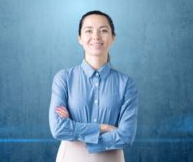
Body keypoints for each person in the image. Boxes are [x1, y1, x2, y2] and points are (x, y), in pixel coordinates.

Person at [49, 10, 138, 162]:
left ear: (113, 38)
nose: (96, 36)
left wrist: (75, 128)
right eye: (89, 31)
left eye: (103, 30)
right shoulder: (64, 78)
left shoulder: (126, 84)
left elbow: (126, 136)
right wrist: (103, 128)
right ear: (80, 38)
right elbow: (58, 129)